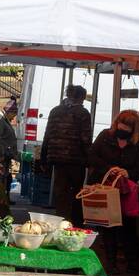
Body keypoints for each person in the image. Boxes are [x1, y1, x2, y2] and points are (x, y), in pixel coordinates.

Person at [87, 108, 139, 274]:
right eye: (121, 125)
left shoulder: (137, 144)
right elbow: (91, 156)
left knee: (128, 226)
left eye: (127, 128)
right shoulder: (105, 136)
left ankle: (132, 264)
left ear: (134, 130)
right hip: (104, 188)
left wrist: (128, 173)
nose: (123, 129)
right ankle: (110, 264)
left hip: (125, 192)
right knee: (108, 227)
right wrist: (108, 168)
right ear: (116, 123)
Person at [41, 84, 92, 223]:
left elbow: (47, 135)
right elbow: (85, 139)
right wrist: (90, 160)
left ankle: (60, 220)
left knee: (61, 193)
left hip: (57, 159)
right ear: (81, 98)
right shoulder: (83, 114)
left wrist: (44, 158)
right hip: (76, 160)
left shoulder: (55, 111)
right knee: (76, 192)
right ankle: (74, 223)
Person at [0, 99, 20, 171]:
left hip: (5, 159)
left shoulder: (4, 120)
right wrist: (1, 156)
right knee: (0, 180)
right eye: (14, 115)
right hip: (0, 160)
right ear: (9, 112)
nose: (13, 118)